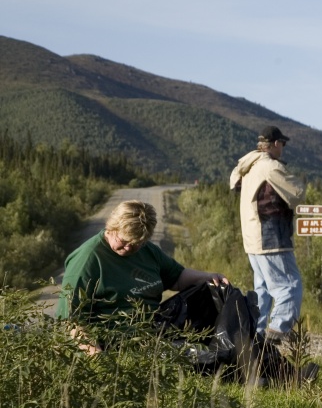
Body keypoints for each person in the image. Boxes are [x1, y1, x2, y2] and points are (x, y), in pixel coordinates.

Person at [56, 200, 228, 353]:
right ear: (111, 227)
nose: (130, 248)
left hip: (153, 335)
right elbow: (72, 319)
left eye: (137, 243)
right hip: (113, 344)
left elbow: (177, 277)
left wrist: (208, 277)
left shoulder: (148, 251)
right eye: (124, 241)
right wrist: (96, 356)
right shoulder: (88, 259)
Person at [229, 125, 305, 341]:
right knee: (289, 285)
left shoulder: (246, 166)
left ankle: (256, 335)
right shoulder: (270, 167)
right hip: (271, 235)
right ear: (275, 144)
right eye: (282, 144)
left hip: (252, 238)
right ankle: (279, 331)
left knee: (262, 288)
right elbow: (297, 193)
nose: (283, 148)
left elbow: (234, 185)